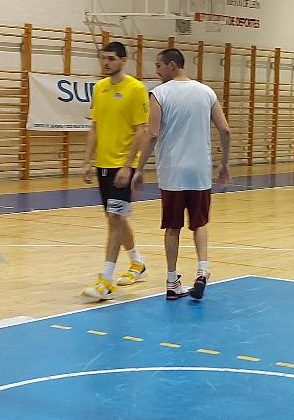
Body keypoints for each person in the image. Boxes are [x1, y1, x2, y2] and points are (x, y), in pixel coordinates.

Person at [134, 48, 231, 300]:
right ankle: (203, 269)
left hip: (172, 172)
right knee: (199, 223)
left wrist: (140, 168)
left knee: (172, 228)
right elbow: (225, 129)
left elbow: (152, 134)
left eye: (159, 65)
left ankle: (171, 281)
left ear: (173, 65)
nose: (156, 70)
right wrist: (225, 163)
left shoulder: (159, 94)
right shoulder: (207, 92)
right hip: (199, 171)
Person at [81, 41, 150, 301]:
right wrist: (88, 160)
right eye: (103, 58)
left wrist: (128, 165)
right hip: (104, 165)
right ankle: (137, 262)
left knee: (116, 219)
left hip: (124, 166)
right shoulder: (99, 89)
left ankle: (106, 279)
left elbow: (141, 131)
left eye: (111, 58)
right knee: (115, 218)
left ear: (123, 60)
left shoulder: (136, 89)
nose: (106, 62)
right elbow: (95, 127)